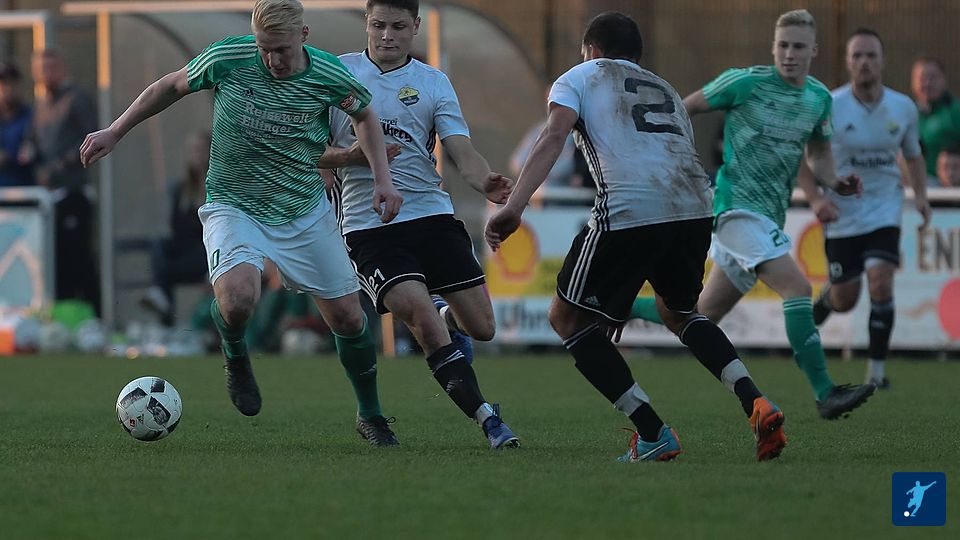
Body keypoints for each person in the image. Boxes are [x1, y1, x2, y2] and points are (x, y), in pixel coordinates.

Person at [79, 0, 405, 447]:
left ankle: (371, 415)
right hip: (234, 205)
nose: (271, 59)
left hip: (302, 208)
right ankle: (235, 351)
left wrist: (382, 180)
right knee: (237, 299)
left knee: (349, 318)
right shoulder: (229, 57)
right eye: (264, 48)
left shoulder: (329, 74)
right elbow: (170, 85)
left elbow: (364, 114)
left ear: (303, 36)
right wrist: (115, 131)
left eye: (281, 49)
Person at [486, 12, 787, 462]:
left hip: (631, 205)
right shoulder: (665, 88)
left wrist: (515, 207)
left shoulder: (581, 75)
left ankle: (652, 432)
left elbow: (553, 136)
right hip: (693, 205)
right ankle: (756, 401)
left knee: (566, 319)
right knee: (680, 312)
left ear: (591, 50)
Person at [625, 9, 875, 419]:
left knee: (700, 313)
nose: (789, 54)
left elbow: (819, 155)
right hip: (735, 209)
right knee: (797, 288)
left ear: (813, 50)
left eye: (798, 47)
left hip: (768, 216)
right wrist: (669, 156)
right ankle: (825, 392)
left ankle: (621, 306)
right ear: (773, 48)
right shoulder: (745, 82)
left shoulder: (819, 99)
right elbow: (683, 108)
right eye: (783, 46)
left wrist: (835, 181)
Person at [320, 0, 519, 450]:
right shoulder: (337, 74)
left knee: (483, 328)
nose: (386, 35)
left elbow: (460, 149)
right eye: (378, 25)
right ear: (366, 24)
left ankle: (448, 314)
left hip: (432, 216)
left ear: (415, 27)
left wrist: (483, 180)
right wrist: (348, 158)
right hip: (369, 226)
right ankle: (489, 421)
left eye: (397, 26)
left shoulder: (432, 81)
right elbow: (309, 151)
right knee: (423, 324)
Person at [800, 28, 931, 390]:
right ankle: (828, 299)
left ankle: (876, 373)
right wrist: (816, 199)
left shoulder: (903, 107)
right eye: (857, 55)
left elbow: (914, 155)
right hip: (843, 214)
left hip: (885, 207)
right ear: (847, 62)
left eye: (871, 55)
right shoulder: (829, 104)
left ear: (883, 61)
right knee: (845, 298)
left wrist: (921, 195)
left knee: (881, 281)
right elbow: (802, 158)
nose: (864, 62)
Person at [27, 49, 100, 311]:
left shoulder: (76, 98)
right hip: (49, 199)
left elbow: (92, 136)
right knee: (57, 262)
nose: (46, 74)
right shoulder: (40, 106)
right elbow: (33, 142)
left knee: (80, 258)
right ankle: (64, 318)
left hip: (74, 193)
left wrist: (62, 163)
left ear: (62, 69)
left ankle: (94, 316)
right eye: (41, 69)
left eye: (51, 68)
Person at [141, 131, 212, 326]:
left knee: (165, 271)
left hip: (207, 255)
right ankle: (161, 299)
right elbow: (176, 227)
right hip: (187, 253)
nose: (196, 155)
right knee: (160, 245)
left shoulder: (218, 187)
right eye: (192, 151)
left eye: (201, 150)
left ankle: (161, 294)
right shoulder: (182, 190)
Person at [910, 56, 960, 180]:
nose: (927, 83)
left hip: (948, 185)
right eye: (922, 78)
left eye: (933, 77)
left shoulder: (955, 111)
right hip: (913, 183)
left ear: (944, 80)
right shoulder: (906, 113)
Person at [0, 61, 33, 187]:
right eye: (4, 84)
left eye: (13, 84)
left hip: (25, 190)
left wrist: (9, 156)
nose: (9, 89)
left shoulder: (32, 117)